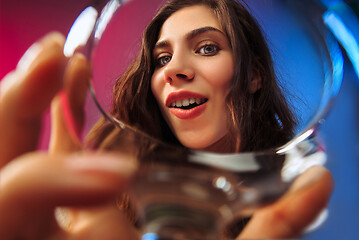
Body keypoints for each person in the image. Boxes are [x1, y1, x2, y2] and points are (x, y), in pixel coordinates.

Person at [0, 0, 333, 239]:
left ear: (253, 76)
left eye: (206, 48)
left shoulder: (291, 212)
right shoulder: (92, 213)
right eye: (162, 58)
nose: (173, 70)